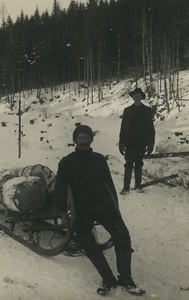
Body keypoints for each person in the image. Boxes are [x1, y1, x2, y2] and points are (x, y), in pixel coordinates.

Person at [55, 125, 145, 296]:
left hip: (104, 206)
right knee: (87, 241)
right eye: (80, 137)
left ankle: (126, 279)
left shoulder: (99, 159)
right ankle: (108, 279)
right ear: (74, 140)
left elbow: (109, 185)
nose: (83, 139)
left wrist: (116, 207)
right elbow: (59, 190)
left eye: (86, 136)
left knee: (123, 236)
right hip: (82, 211)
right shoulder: (67, 162)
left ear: (91, 139)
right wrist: (62, 215)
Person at [119, 87, 155, 195]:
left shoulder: (147, 111)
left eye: (139, 96)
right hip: (130, 142)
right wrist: (121, 142)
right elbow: (123, 128)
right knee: (129, 163)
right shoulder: (127, 111)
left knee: (139, 163)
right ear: (133, 98)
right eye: (135, 96)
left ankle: (138, 186)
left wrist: (151, 143)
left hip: (141, 142)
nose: (137, 98)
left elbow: (151, 128)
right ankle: (126, 188)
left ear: (141, 98)